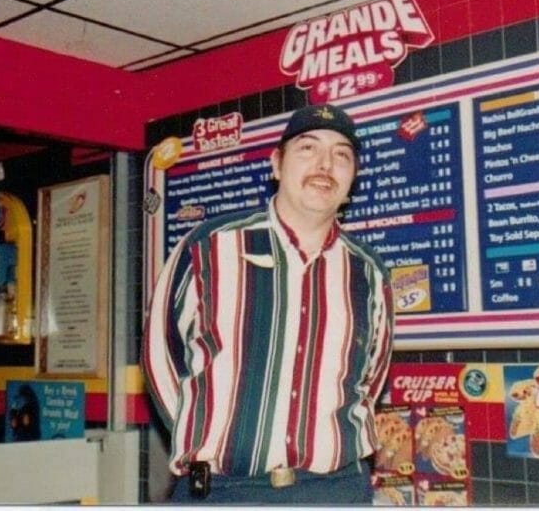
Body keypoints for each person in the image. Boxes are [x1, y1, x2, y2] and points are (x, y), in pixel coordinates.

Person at [143, 104, 395, 504]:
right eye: (308, 148)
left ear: (353, 178)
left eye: (342, 155)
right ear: (276, 164)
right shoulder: (208, 247)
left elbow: (371, 376)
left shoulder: (369, 272)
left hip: (336, 490)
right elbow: (162, 358)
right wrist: (214, 433)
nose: (325, 165)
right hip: (225, 491)